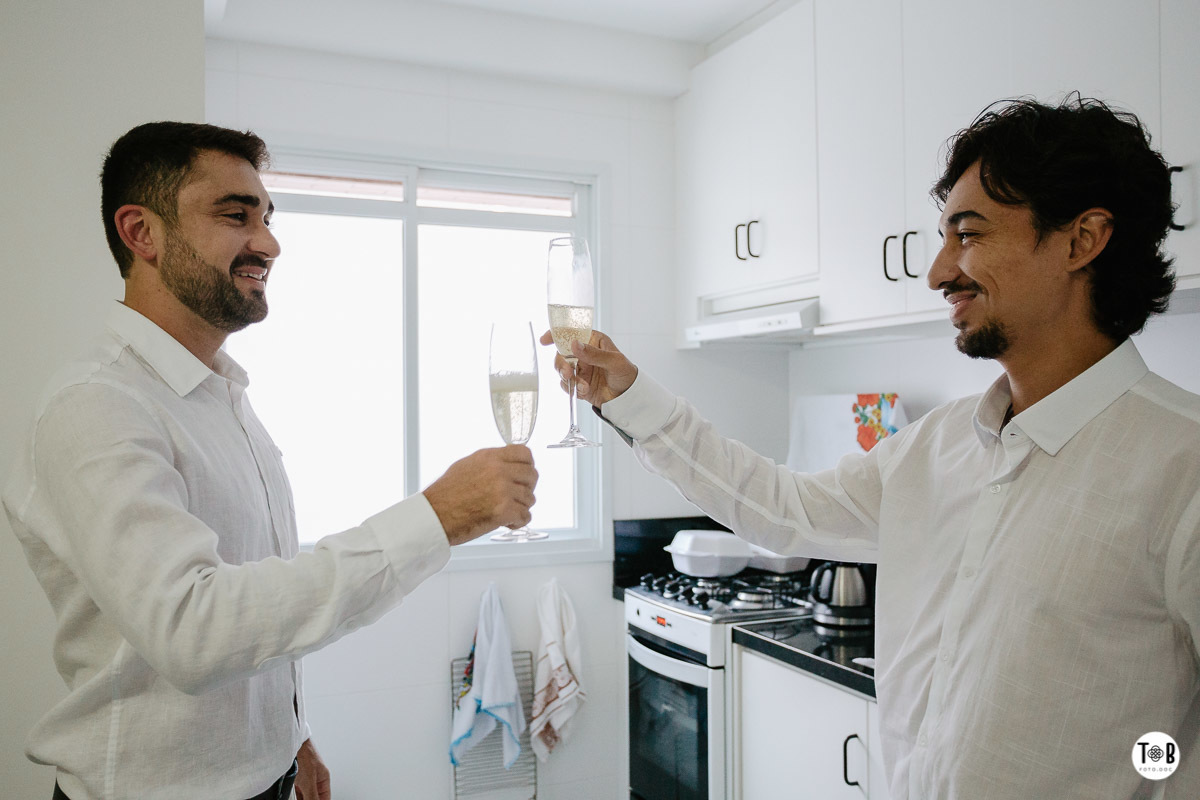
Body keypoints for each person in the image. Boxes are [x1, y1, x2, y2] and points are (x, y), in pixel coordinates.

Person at [544, 95, 1200, 799]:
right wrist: (630, 396)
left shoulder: (1181, 466)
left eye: (968, 235)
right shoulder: (937, 445)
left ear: (1081, 240)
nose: (937, 272)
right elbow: (783, 509)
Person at [2, 121, 538, 800]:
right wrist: (435, 518)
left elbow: (252, 594)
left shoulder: (220, 396)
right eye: (236, 216)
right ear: (142, 233)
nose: (269, 243)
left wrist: (291, 734)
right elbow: (193, 631)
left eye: (266, 217)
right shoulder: (97, 405)